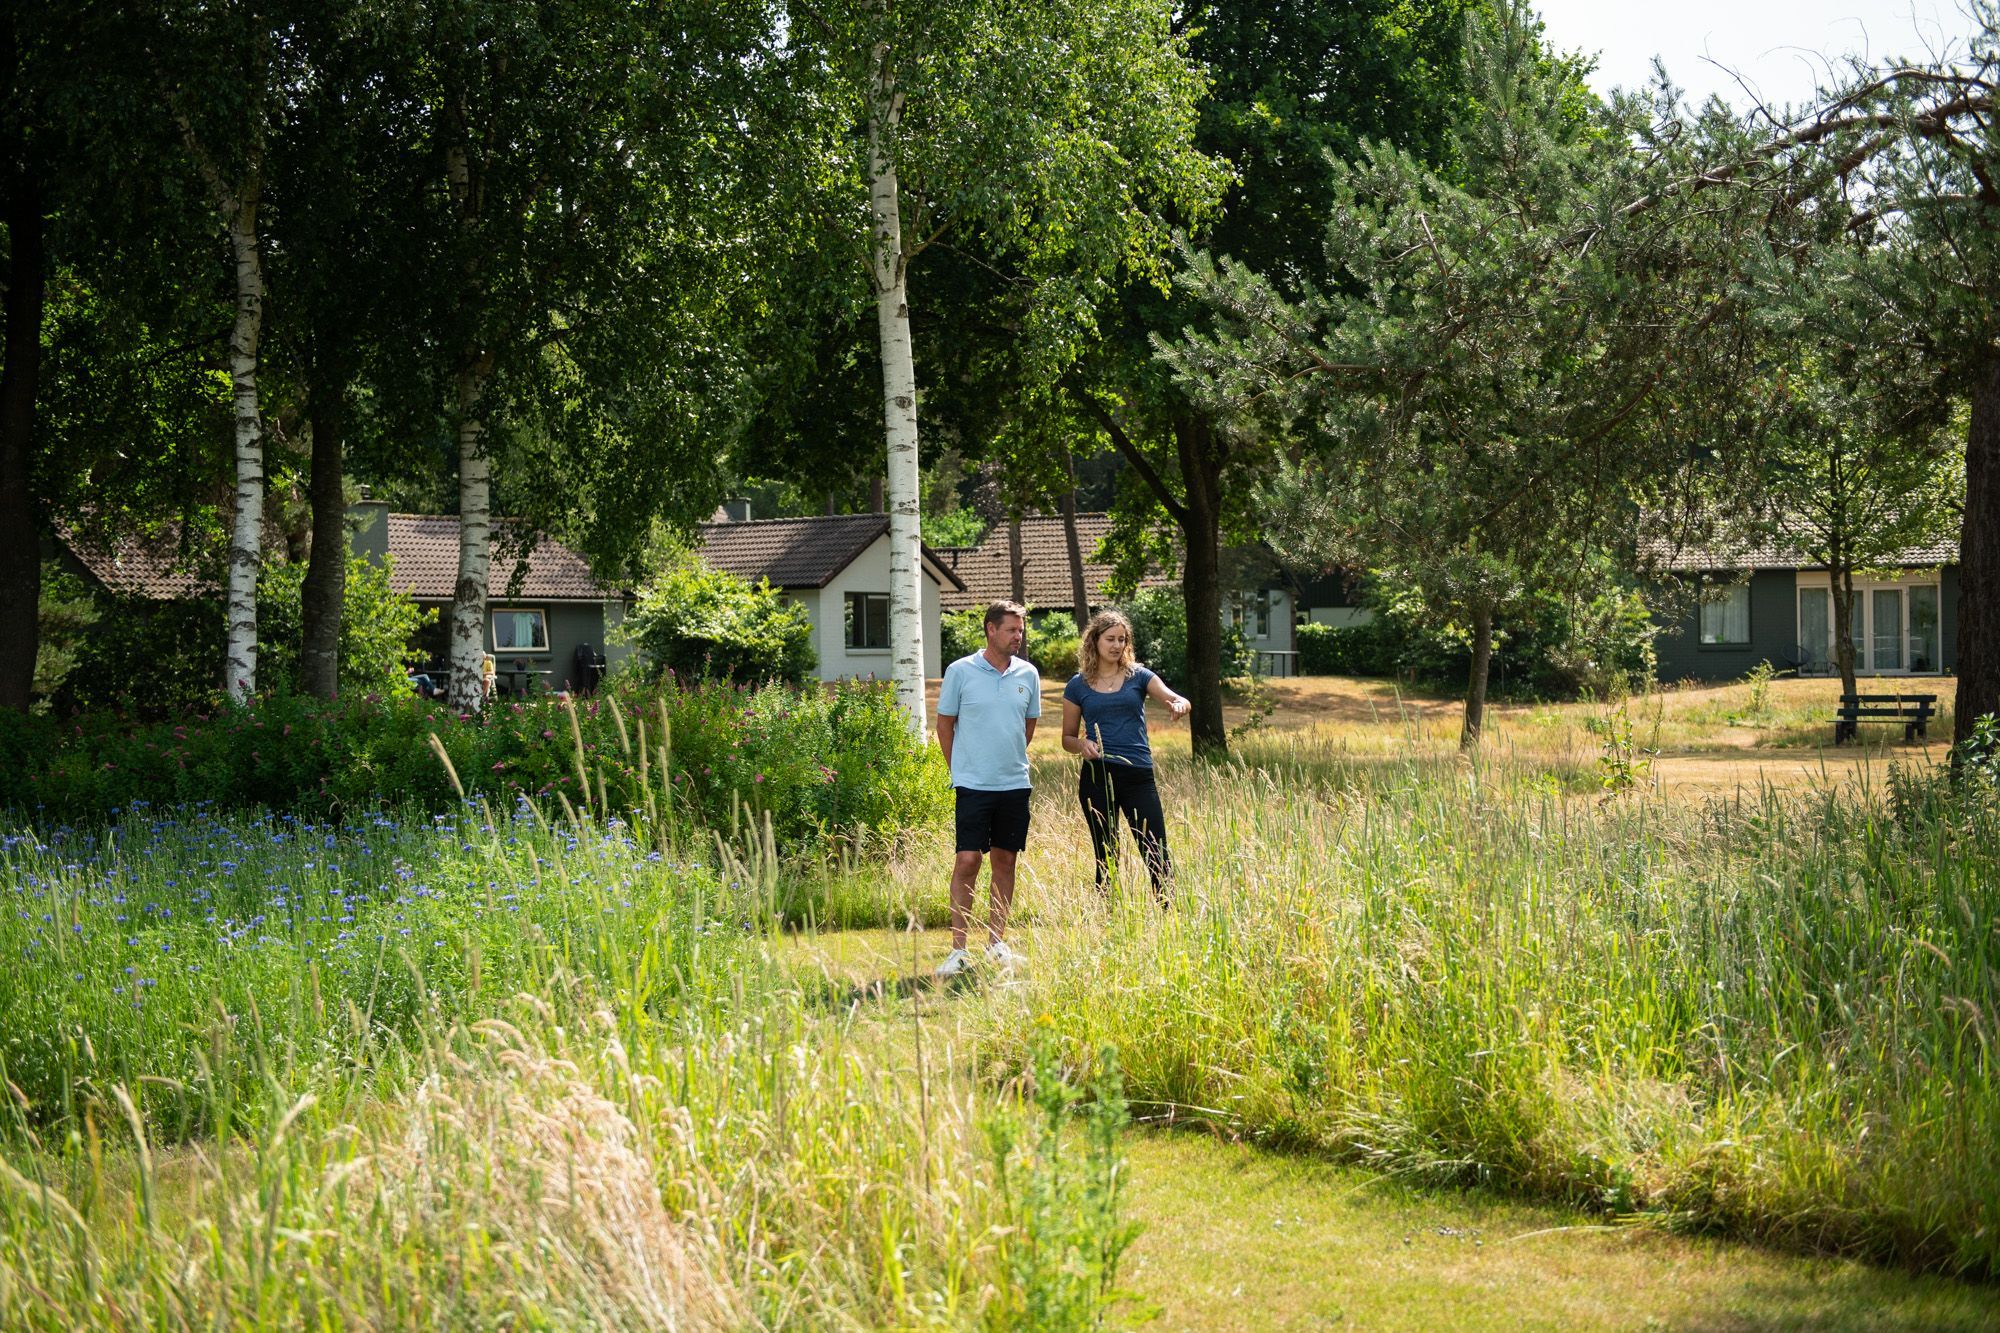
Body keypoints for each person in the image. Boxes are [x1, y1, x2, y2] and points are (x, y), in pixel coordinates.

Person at [933, 600, 1040, 977]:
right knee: (968, 861)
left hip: (1014, 784)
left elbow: (1027, 728)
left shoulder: (1028, 674)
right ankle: (957, 951)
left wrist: (1005, 759)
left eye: (1021, 630)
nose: (1018, 636)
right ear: (991, 630)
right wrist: (960, 769)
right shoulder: (960, 671)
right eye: (1012, 629)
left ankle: (996, 943)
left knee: (1005, 861)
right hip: (972, 785)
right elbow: (944, 726)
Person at [1060, 609, 1189, 905]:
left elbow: (1176, 698)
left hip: (1137, 775)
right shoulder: (1077, 685)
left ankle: (1169, 914)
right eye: (1110, 639)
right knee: (1106, 852)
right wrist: (1081, 745)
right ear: (1094, 641)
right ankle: (1107, 917)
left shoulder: (1139, 676)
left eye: (1122, 639)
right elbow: (1067, 738)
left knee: (1154, 848)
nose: (1117, 645)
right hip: (1097, 776)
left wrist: (1180, 704)